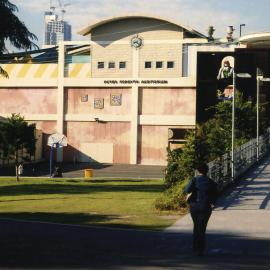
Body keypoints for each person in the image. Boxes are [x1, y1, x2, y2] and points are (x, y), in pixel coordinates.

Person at [185, 163, 218, 256]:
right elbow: (215, 194)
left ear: (197, 170)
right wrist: (213, 203)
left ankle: (195, 247)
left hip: (194, 206)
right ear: (207, 171)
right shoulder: (210, 182)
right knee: (202, 228)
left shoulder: (194, 180)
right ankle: (201, 249)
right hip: (206, 206)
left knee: (196, 226)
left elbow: (187, 190)